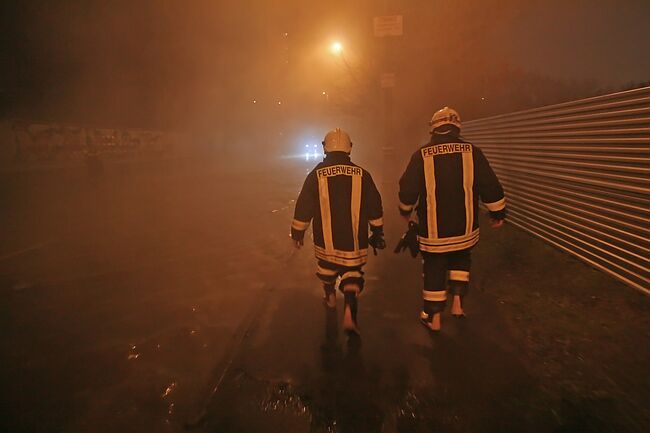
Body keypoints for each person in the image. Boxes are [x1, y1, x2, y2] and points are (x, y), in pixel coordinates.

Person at [398, 107, 506, 332]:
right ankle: (457, 304)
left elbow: (408, 187)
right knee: (461, 258)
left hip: (434, 231)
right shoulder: (472, 152)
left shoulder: (421, 155)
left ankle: (434, 318)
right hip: (465, 228)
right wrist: (497, 213)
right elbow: (490, 184)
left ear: (434, 128)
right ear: (457, 126)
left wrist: (405, 209)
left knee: (435, 266)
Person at [291, 128, 385, 335]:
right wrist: (377, 231)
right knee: (352, 274)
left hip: (326, 241)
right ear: (350, 148)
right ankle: (350, 314)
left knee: (327, 270)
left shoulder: (316, 174)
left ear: (325, 148)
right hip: (355, 241)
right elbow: (374, 205)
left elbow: (304, 205)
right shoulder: (363, 174)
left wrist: (297, 233)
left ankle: (330, 297)